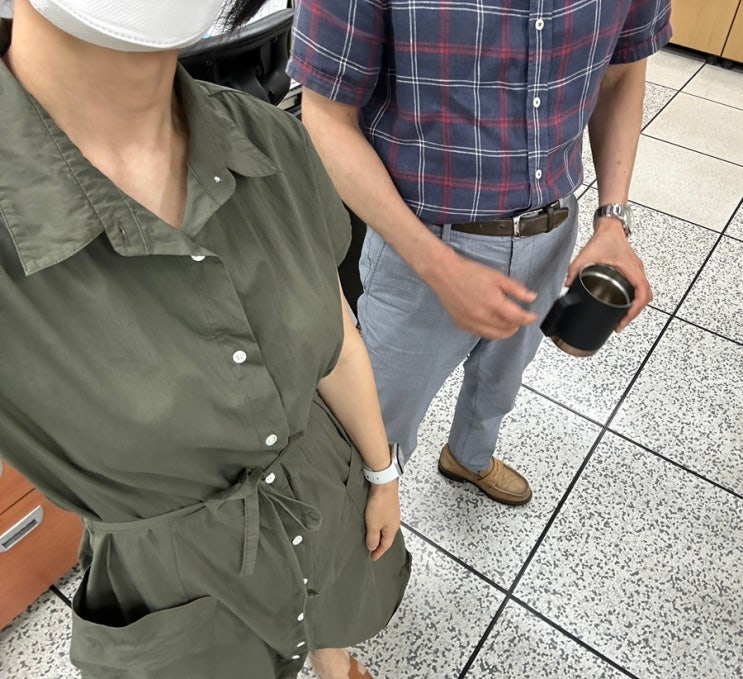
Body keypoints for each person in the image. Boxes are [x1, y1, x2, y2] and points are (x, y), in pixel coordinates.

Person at [0, 1, 410, 678]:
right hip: (181, 594)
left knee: (333, 610)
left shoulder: (271, 139)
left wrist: (381, 473)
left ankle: (333, 658)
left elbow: (335, 337)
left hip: (323, 494)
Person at [288, 1, 671, 505]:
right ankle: (359, 520)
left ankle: (468, 456)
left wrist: (612, 219)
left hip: (552, 228)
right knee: (374, 424)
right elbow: (325, 116)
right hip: (419, 241)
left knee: (501, 380)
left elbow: (621, 73)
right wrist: (436, 264)